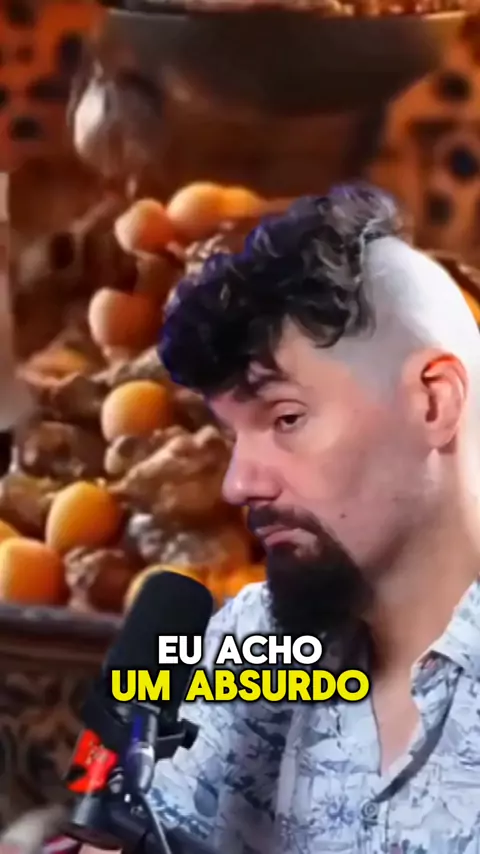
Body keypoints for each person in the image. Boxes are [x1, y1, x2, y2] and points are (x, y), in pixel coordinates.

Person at [85, 184, 480, 852]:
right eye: (233, 435)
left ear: (433, 404)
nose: (239, 483)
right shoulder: (252, 643)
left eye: (286, 419)